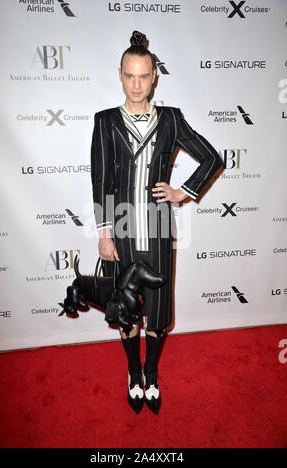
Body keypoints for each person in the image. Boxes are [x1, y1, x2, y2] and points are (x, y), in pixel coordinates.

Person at [90, 31, 223, 414]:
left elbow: (212, 158)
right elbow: (100, 179)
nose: (136, 84)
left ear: (154, 78)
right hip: (120, 227)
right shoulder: (105, 122)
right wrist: (103, 233)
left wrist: (184, 191)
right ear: (120, 75)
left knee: (159, 312)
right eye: (129, 76)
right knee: (126, 309)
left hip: (160, 226)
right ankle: (133, 372)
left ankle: (152, 371)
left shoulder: (171, 120)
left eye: (143, 76)